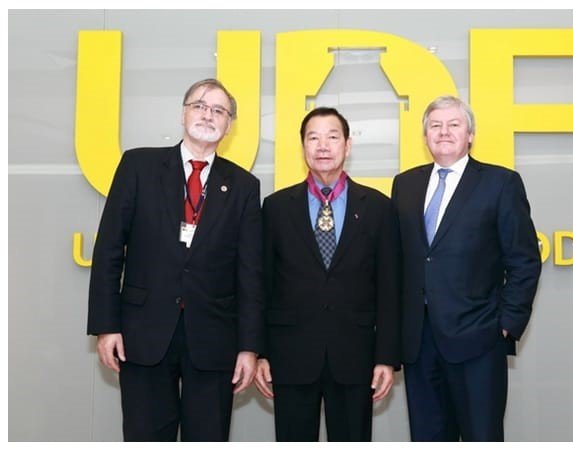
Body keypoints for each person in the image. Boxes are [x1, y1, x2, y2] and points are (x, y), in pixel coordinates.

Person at [87, 78, 263, 441]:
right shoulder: (138, 165)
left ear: (229, 125)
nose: (208, 115)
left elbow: (250, 273)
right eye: (200, 106)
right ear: (183, 114)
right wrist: (106, 326)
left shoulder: (244, 186)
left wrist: (249, 347)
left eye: (219, 110)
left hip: (214, 340)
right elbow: (109, 250)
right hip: (143, 333)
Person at [391, 95, 541, 441]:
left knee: (481, 436)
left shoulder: (500, 183)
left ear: (470, 134)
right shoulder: (405, 184)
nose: (443, 132)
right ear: (425, 135)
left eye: (454, 124)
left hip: (479, 339)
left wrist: (506, 324)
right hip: (418, 343)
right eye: (435, 125)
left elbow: (524, 259)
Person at [254, 107, 400, 441]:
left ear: (347, 146)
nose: (323, 146)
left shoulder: (378, 207)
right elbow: (263, 285)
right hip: (290, 355)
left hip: (355, 356)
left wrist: (386, 357)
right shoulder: (276, 208)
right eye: (313, 138)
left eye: (332, 137)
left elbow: (389, 288)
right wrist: (260, 352)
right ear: (303, 146)